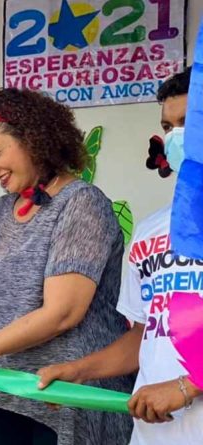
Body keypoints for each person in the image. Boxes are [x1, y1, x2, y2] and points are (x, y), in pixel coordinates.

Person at [0, 88, 133, 445]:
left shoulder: (81, 203)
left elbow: (62, 313)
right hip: (7, 394)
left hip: (64, 397)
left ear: (34, 140)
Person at [38, 67, 203, 444]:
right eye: (169, 126)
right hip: (154, 434)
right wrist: (80, 371)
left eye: (189, 122)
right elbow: (145, 336)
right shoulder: (150, 232)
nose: (176, 136)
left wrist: (188, 384)